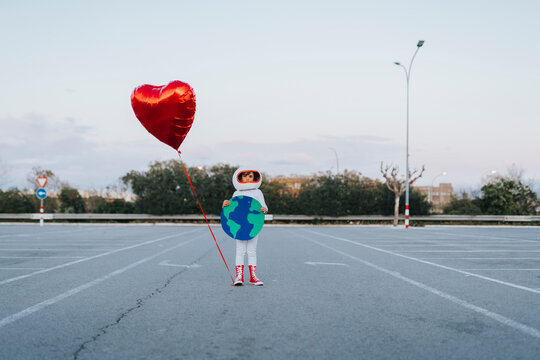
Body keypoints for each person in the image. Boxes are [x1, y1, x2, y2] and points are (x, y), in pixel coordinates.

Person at [223, 167, 268, 286]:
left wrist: (264, 209)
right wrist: (226, 204)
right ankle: (239, 277)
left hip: (253, 225)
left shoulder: (258, 192)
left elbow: (264, 207)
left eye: (251, 176)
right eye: (245, 176)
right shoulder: (237, 193)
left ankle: (253, 277)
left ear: (255, 178)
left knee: (252, 251)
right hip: (239, 226)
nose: (248, 178)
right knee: (240, 251)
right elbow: (232, 209)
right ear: (240, 177)